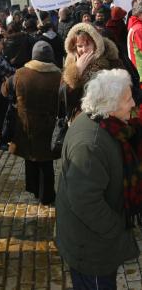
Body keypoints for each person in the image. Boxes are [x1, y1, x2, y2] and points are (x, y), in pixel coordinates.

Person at [55, 69, 140, 289]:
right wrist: (116, 229)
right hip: (91, 248)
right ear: (110, 105)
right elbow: (85, 202)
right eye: (128, 99)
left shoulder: (103, 123)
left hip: (92, 239)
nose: (133, 104)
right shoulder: (91, 145)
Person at [2, 41, 61, 205]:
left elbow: (4, 90)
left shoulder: (20, 74)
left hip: (25, 126)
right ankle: (47, 195)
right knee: (46, 162)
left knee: (30, 157)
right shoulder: (59, 76)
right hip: (49, 127)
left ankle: (34, 189)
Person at [63, 22, 122, 119]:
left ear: (96, 43)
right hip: (83, 118)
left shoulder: (110, 58)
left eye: (88, 44)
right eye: (80, 46)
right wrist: (77, 71)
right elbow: (66, 99)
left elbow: (122, 87)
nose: (84, 49)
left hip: (109, 115)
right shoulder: (70, 63)